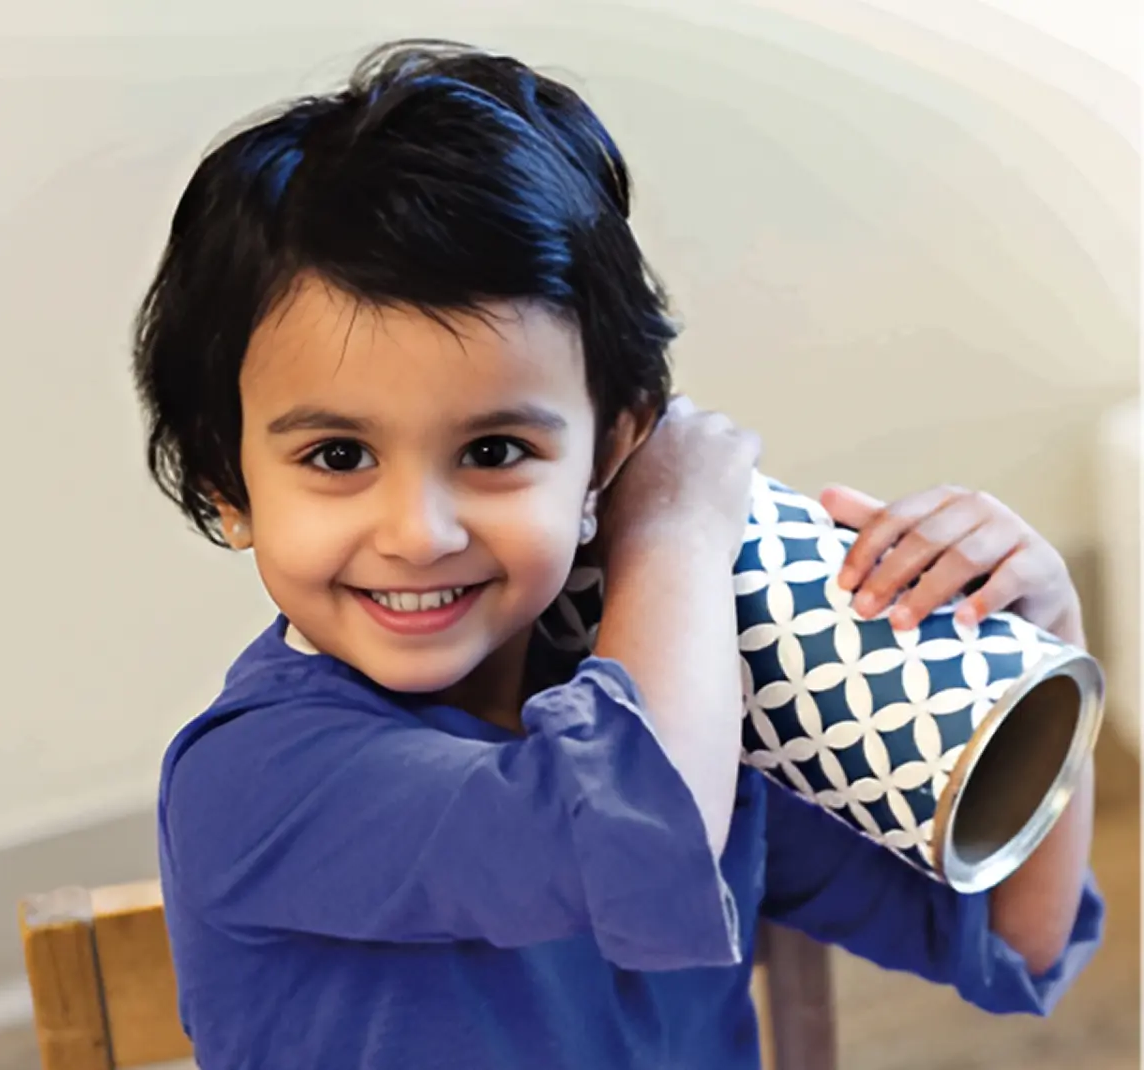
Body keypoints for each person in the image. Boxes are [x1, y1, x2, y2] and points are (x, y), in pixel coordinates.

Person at [132, 39, 1102, 1070]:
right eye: (338, 455)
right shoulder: (255, 776)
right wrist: (675, 528)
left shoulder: (687, 702)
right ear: (226, 483)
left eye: (493, 451)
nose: (418, 533)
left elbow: (1011, 935)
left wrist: (1042, 634)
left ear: (609, 453)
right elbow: (637, 840)